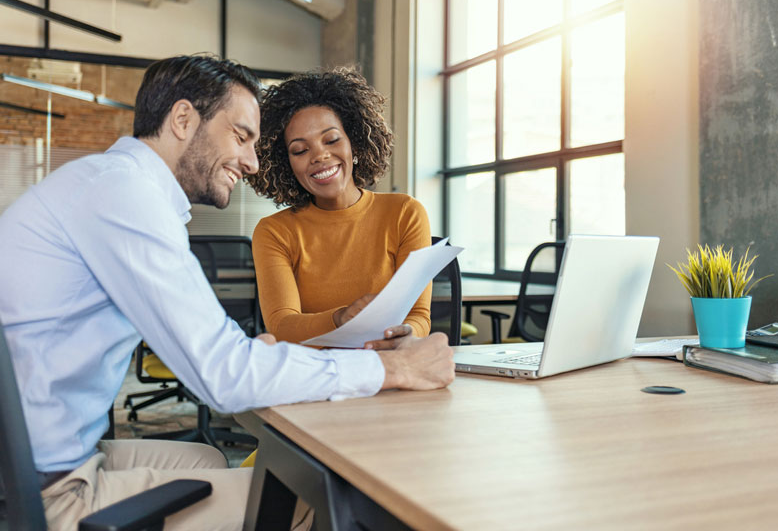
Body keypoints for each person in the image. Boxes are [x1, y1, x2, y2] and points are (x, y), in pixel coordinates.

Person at [0, 55, 455, 531]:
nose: (253, 161)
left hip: (44, 456)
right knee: (305, 494)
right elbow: (221, 377)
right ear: (182, 120)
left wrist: (245, 357)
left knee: (211, 462)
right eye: (241, 136)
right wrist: (392, 367)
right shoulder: (124, 198)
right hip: (43, 491)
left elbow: (217, 358)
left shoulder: (112, 185)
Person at [248, 68, 431, 347]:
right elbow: (282, 325)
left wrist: (405, 335)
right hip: (314, 372)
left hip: (388, 364)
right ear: (287, 164)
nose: (319, 156)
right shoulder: (274, 231)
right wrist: (341, 318)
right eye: (300, 150)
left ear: (354, 144)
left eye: (331, 140)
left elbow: (419, 316)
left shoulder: (405, 213)